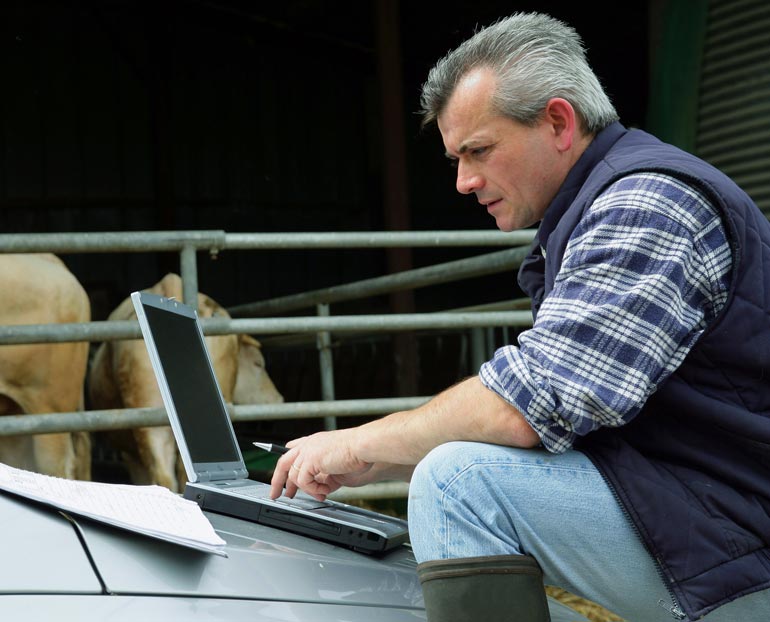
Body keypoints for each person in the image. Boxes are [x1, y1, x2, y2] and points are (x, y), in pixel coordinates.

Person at [269, 12, 770, 621]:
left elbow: (529, 405)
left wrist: (357, 444)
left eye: (478, 150)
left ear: (559, 121)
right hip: (694, 509)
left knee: (459, 484)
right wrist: (372, 460)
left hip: (740, 540)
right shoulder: (596, 205)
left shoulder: (646, 203)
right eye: (456, 158)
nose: (462, 181)